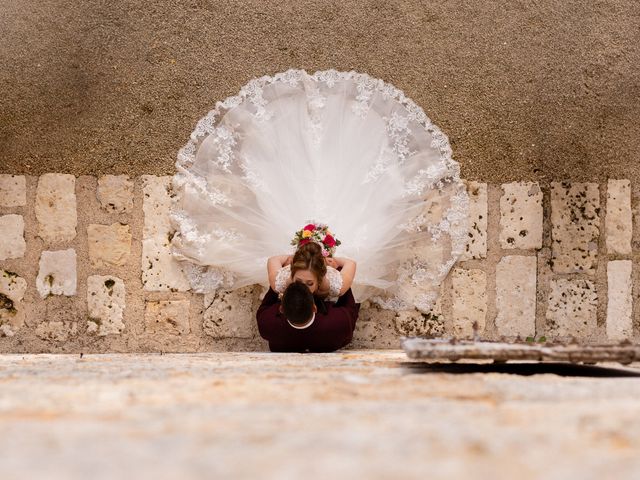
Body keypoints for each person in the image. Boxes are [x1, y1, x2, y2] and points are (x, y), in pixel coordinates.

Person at [171, 68, 469, 324]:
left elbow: (278, 263)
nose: (304, 286)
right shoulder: (332, 285)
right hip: (321, 255)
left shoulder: (285, 283)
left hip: (317, 254)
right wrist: (328, 262)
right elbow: (349, 265)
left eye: (307, 282)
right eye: (305, 282)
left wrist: (297, 262)